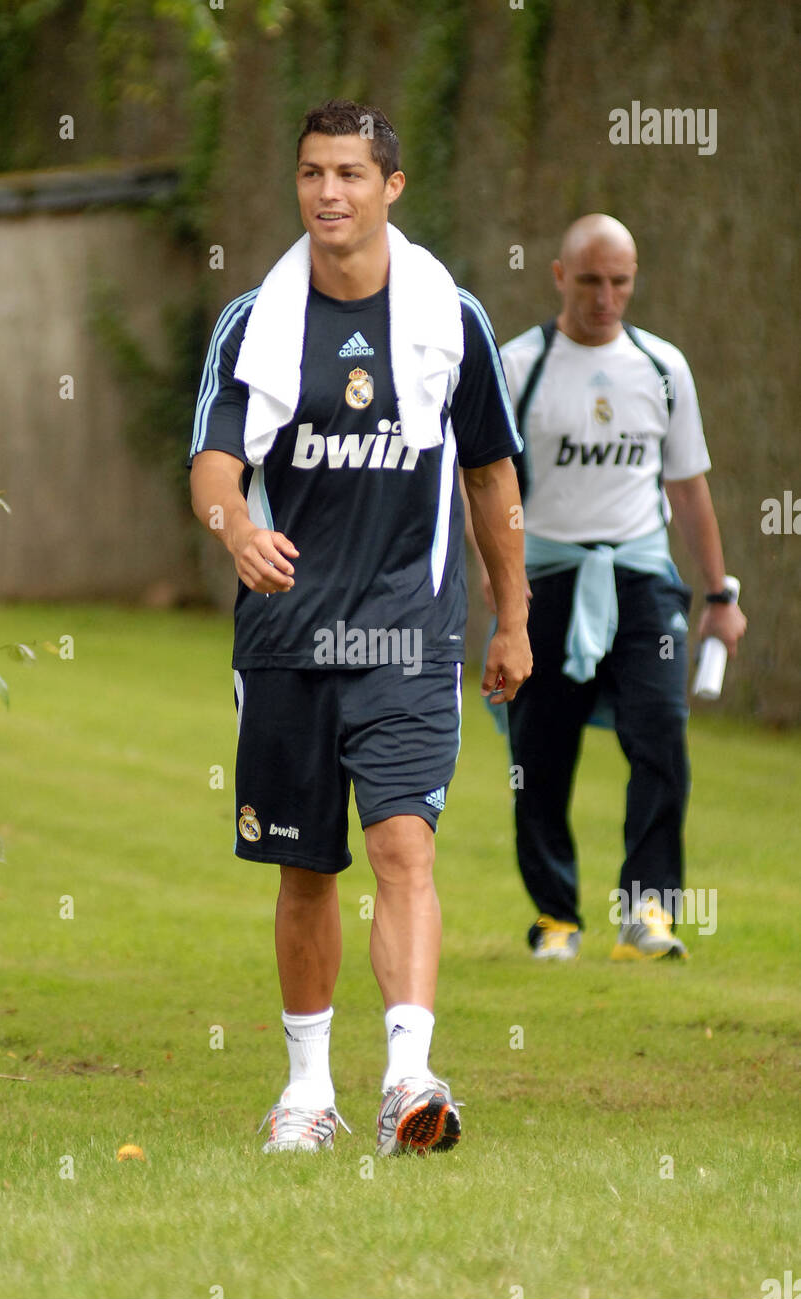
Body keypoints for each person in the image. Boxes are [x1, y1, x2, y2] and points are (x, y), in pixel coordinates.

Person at [187, 100, 531, 1153]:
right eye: (310, 174)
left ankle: (408, 1078)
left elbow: (487, 474)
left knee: (401, 845)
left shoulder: (447, 317)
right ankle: (305, 1094)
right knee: (305, 868)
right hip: (288, 638)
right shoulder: (255, 321)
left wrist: (510, 615)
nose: (327, 193)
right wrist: (234, 526)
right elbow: (211, 464)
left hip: (406, 634)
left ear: (391, 188)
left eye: (348, 174)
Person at [488, 213, 746, 962]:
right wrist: (498, 596)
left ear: (635, 281)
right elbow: (487, 488)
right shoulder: (516, 367)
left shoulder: (664, 368)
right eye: (592, 281)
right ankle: (556, 918)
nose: (606, 298)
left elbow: (689, 488)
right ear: (560, 276)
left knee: (661, 735)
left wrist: (718, 596)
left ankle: (648, 913)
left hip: (641, 582)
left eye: (621, 282)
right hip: (545, 581)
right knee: (541, 754)